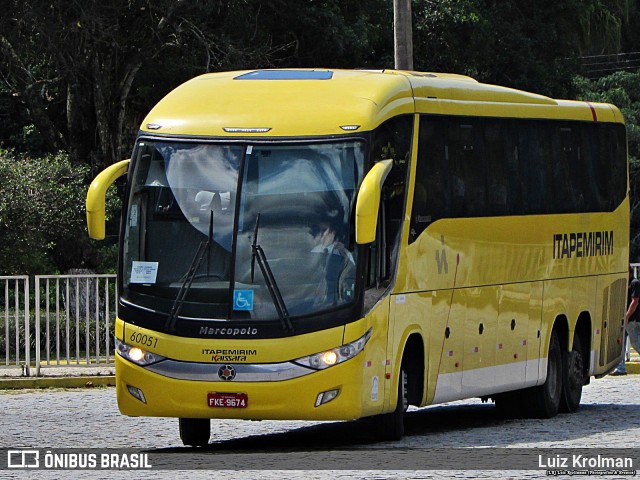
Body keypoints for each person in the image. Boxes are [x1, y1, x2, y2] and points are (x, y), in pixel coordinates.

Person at [611, 265, 640, 375]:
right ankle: (621, 367)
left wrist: (627, 316)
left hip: (632, 319)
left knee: (635, 343)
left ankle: (621, 367)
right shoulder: (627, 283)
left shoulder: (634, 283)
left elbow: (635, 301)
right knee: (621, 343)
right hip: (628, 319)